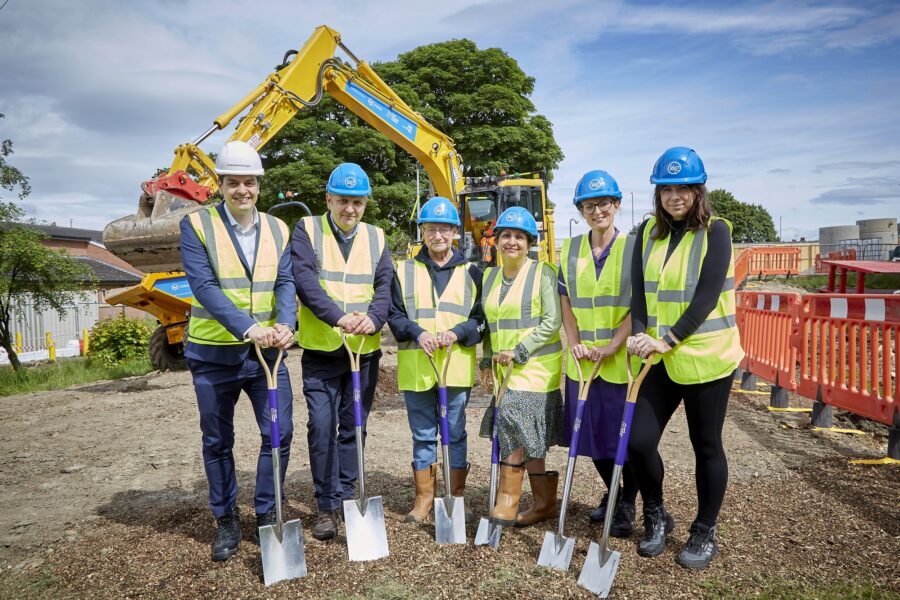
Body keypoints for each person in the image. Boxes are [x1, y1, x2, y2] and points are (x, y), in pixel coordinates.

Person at [626, 147, 743, 569]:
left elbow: (707, 296)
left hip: (707, 358)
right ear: (657, 194)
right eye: (666, 189)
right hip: (660, 358)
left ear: (699, 191)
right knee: (638, 442)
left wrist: (668, 338)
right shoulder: (645, 236)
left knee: (706, 445)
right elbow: (639, 293)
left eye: (684, 188)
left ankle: (704, 530)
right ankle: (656, 514)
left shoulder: (718, 232)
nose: (674, 196)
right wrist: (641, 334)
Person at [179, 140, 297, 562]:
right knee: (217, 440)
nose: (242, 189)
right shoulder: (197, 226)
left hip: (268, 356)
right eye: (233, 182)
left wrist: (286, 323)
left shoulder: (278, 229)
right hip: (213, 354)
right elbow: (204, 287)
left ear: (259, 185)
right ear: (220, 185)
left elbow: (285, 282)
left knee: (279, 433)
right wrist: (250, 328)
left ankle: (267, 514)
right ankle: (227, 517)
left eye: (249, 182)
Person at [290, 162, 393, 541]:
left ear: (365, 203)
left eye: (358, 202)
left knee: (354, 426)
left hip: (363, 349)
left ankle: (348, 496)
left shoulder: (376, 237)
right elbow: (304, 281)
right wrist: (337, 317)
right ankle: (326, 505)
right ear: (328, 198)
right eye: (343, 201)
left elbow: (385, 286)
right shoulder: (307, 230)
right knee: (321, 427)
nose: (350, 209)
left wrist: (374, 318)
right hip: (322, 349)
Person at [388, 197, 485, 523]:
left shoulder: (472, 272)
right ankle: (424, 498)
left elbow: (482, 319)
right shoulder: (403, 270)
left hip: (455, 368)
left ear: (455, 231)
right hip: (417, 367)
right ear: (423, 232)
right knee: (424, 434)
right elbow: (394, 315)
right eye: (431, 228)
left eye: (444, 228)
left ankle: (456, 497)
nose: (438, 235)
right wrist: (419, 333)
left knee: (455, 433)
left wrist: (458, 332)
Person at [558, 170, 640, 537]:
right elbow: (566, 300)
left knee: (623, 439)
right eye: (589, 205)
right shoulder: (571, 248)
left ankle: (628, 503)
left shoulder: (634, 247)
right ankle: (615, 492)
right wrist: (573, 340)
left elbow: (640, 304)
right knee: (589, 438)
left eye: (604, 203)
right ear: (581, 210)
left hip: (620, 362)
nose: (597, 211)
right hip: (583, 363)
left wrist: (613, 345)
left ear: (617, 205)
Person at [479, 206, 563, 527]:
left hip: (536, 368)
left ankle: (508, 500)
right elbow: (489, 325)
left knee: (512, 423)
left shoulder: (543, 273)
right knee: (525, 437)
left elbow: (552, 321)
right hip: (505, 371)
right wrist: (487, 361)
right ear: (497, 241)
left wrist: (521, 349)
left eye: (519, 237)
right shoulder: (488, 277)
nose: (511, 241)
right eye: (505, 236)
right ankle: (544, 503)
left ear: (530, 243)